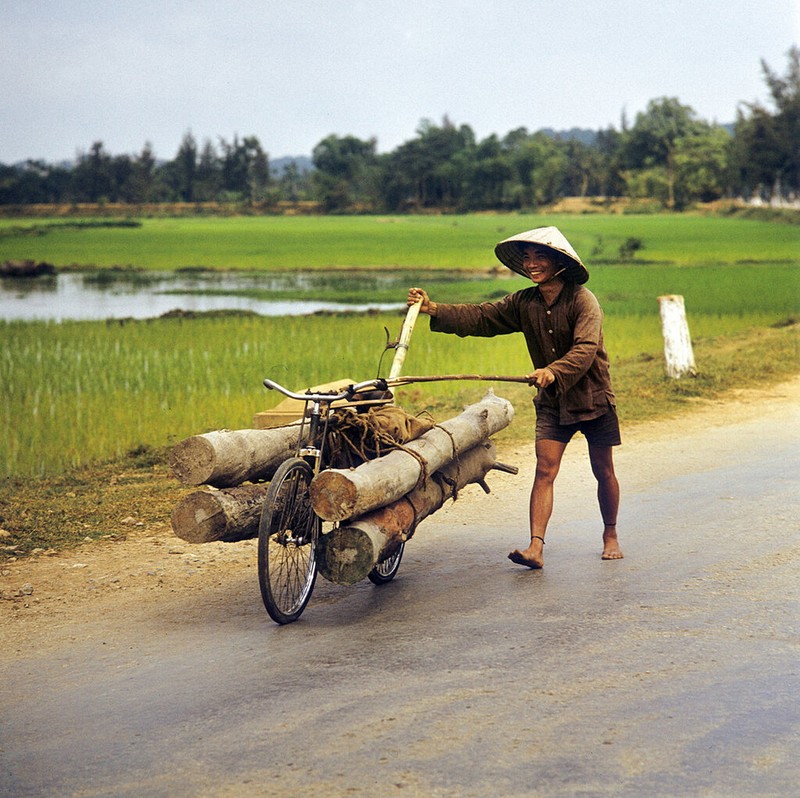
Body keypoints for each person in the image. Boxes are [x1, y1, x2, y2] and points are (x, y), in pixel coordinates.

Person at [407, 225, 623, 568]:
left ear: (559, 263)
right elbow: (482, 317)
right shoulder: (524, 302)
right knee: (545, 470)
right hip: (553, 402)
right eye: (528, 258)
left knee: (603, 470)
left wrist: (552, 371)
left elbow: (585, 349)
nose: (533, 263)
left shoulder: (584, 301)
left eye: (540, 257)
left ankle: (610, 533)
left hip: (593, 398)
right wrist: (434, 309)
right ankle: (535, 547)